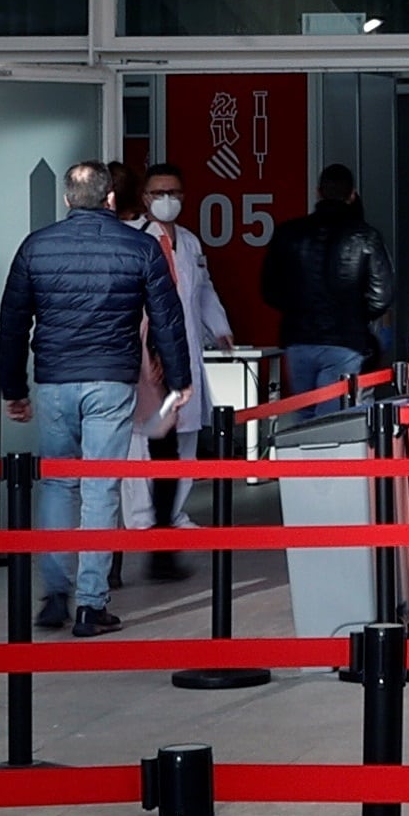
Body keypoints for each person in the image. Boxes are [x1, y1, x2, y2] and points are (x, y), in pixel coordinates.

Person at [0, 160, 192, 637]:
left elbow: (13, 323)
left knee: (60, 486)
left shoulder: (35, 247)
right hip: (111, 380)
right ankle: (91, 604)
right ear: (109, 199)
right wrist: (180, 380)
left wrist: (13, 389)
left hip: (55, 379)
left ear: (66, 200)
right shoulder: (140, 246)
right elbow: (167, 320)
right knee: (101, 487)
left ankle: (55, 595)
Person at [127, 161, 232, 582]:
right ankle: (141, 518)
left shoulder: (189, 241)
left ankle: (173, 514)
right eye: (158, 192)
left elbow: (203, 291)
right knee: (147, 439)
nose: (166, 200)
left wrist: (220, 330)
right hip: (148, 357)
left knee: (186, 436)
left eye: (174, 192)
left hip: (185, 351)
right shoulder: (135, 240)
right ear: (144, 198)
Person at [265, 163, 393, 402]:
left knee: (304, 418)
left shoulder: (289, 233)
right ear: (352, 195)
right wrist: (355, 314)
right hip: (345, 340)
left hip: (298, 337)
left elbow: (270, 288)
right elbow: (382, 294)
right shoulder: (366, 236)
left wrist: (298, 309)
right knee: (330, 421)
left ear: (318, 192)